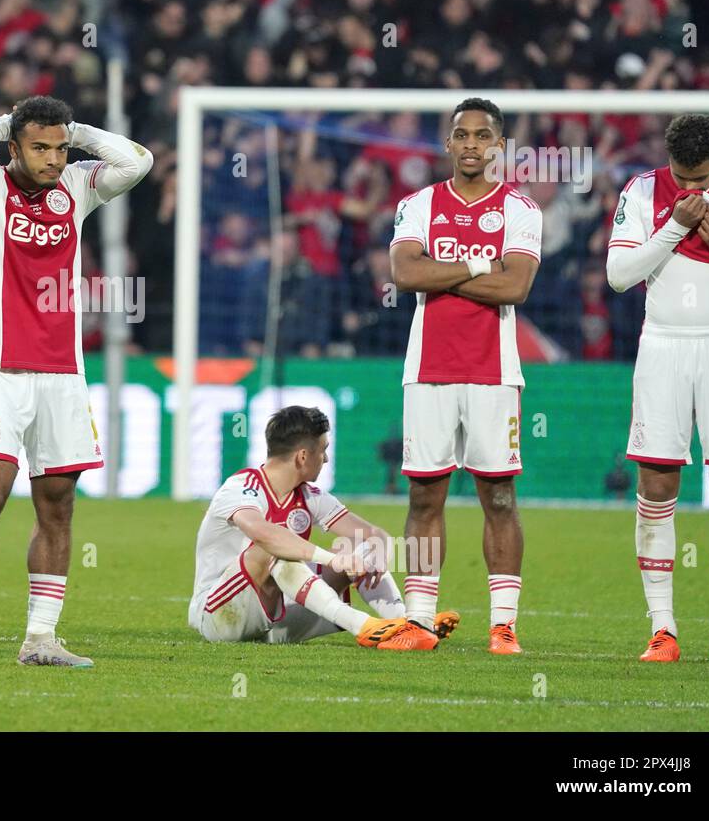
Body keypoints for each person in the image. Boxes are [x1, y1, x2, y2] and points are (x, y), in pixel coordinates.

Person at [0, 95, 153, 667]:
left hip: (63, 373)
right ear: (13, 146)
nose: (55, 158)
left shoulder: (75, 188)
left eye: (61, 147)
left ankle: (40, 639)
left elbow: (138, 161)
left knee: (58, 507)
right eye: (40, 147)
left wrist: (77, 132)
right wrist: (5, 122)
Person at [386, 97, 543, 654]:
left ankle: (503, 625)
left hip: (494, 371)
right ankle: (420, 619)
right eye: (462, 135)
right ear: (448, 143)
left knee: (498, 497)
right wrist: (480, 265)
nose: (472, 144)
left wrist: (441, 275)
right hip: (427, 369)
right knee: (424, 497)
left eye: (483, 136)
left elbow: (516, 288)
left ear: (498, 146)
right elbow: (405, 273)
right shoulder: (418, 204)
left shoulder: (521, 210)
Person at [606, 112, 709, 665]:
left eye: (700, 178)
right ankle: (662, 628)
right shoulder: (641, 191)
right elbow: (618, 275)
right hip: (662, 346)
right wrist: (672, 229)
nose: (689, 190)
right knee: (657, 482)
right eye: (680, 178)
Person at [190, 405, 460, 648]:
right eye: (324, 450)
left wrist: (379, 551)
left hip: (274, 623)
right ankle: (361, 625)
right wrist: (332, 559)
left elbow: (373, 534)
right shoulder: (241, 488)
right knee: (274, 549)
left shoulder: (308, 496)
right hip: (220, 617)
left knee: (359, 549)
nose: (327, 458)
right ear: (303, 456)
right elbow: (265, 534)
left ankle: (409, 626)